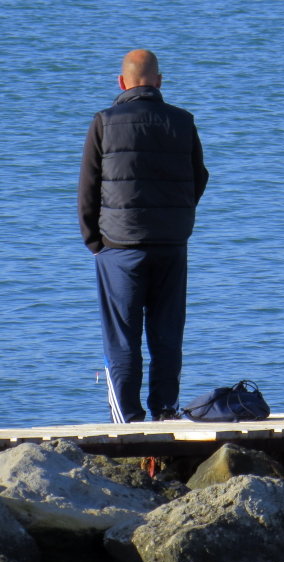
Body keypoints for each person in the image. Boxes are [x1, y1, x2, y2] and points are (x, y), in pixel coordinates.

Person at [78, 49, 208, 423]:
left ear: (122, 83)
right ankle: (165, 410)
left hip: (119, 246)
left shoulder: (104, 121)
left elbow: (87, 187)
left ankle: (127, 420)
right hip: (171, 243)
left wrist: (94, 241)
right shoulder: (183, 121)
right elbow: (199, 178)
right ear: (159, 82)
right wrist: (178, 219)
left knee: (123, 338)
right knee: (167, 334)